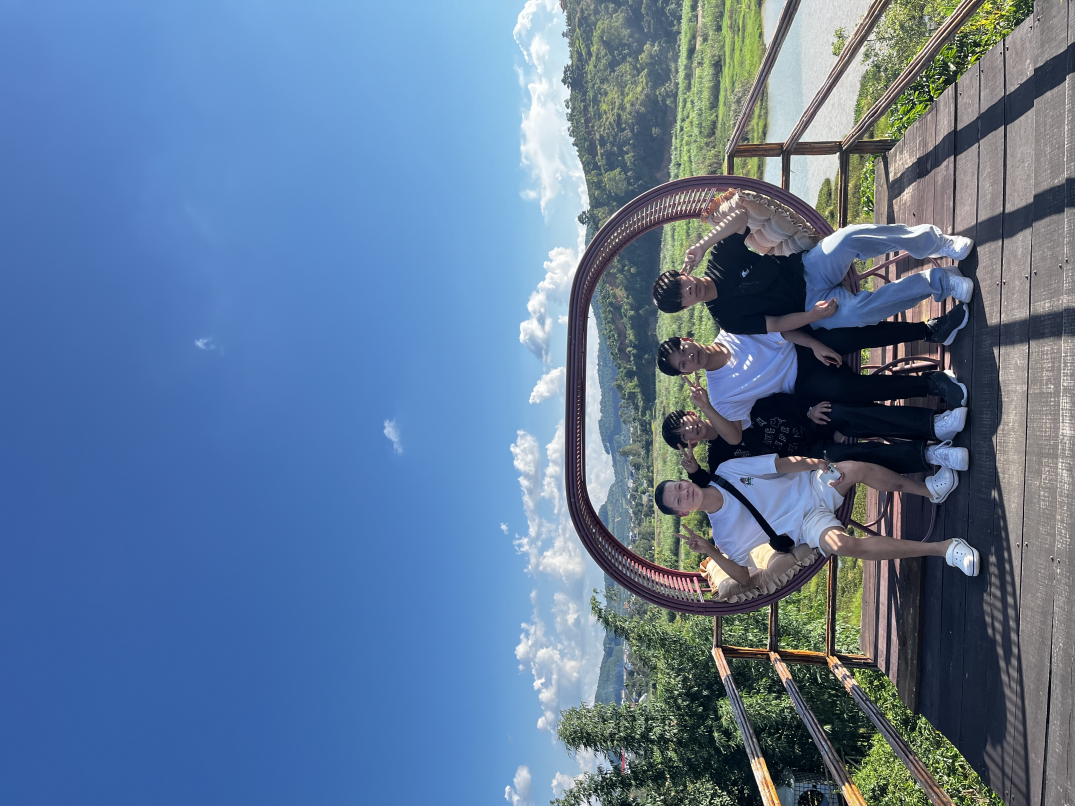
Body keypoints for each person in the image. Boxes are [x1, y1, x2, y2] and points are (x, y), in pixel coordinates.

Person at [650, 194, 975, 335]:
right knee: (858, 314)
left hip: (805, 268)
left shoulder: (719, 259)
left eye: (681, 285)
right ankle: (941, 281)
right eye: (682, 298)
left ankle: (935, 242)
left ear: (683, 275)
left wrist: (702, 244)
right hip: (809, 307)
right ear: (686, 307)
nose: (688, 291)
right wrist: (813, 316)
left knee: (848, 238)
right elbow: (776, 324)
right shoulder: (727, 317)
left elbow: (742, 215)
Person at [653, 456, 980, 582]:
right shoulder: (724, 535)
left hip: (811, 485)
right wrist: (710, 551)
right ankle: (944, 548)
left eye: (680, 487)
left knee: (855, 469)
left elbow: (777, 465)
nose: (685, 493)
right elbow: (743, 577)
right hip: (807, 523)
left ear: (684, 480)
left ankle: (929, 490)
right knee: (844, 545)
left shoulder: (727, 471)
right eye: (679, 500)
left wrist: (814, 464)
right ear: (683, 512)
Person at [655, 322, 969, 447]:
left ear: (687, 338)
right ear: (685, 373)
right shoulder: (720, 395)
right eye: (683, 364)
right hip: (802, 382)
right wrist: (707, 408)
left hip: (802, 345)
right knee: (846, 391)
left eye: (684, 350)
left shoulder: (733, 330)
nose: (689, 357)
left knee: (845, 337)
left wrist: (815, 345)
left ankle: (929, 330)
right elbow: (734, 436)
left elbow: (780, 330)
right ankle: (932, 384)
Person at [662, 383, 968, 500]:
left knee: (845, 413)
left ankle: (934, 425)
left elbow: (776, 401)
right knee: (845, 456)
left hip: (807, 420)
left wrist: (807, 409)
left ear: (692, 413)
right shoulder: (719, 458)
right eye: (684, 437)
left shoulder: (731, 406)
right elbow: (715, 490)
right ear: (689, 444)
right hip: (807, 454)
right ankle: (930, 455)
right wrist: (694, 473)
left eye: (686, 425)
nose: (691, 431)